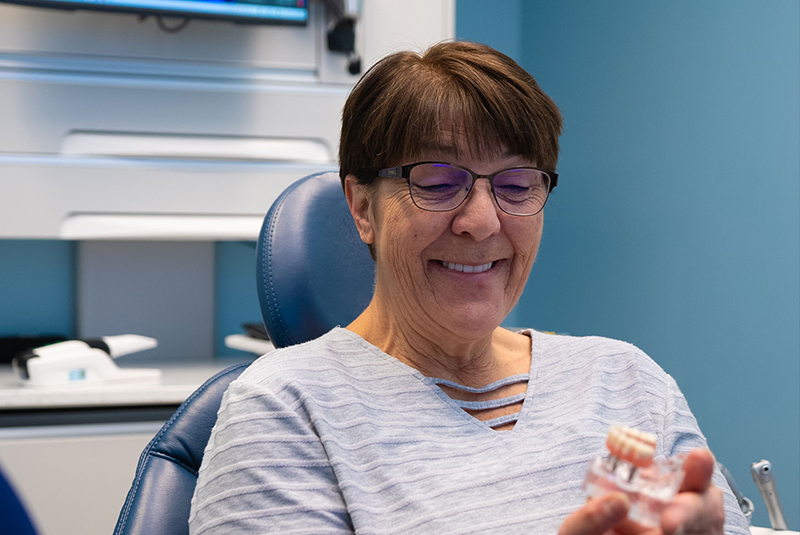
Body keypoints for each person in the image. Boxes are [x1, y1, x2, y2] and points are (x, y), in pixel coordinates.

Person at [189, 41, 749, 535]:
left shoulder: (627, 381)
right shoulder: (285, 410)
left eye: (516, 184)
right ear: (362, 208)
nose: (481, 221)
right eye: (437, 182)